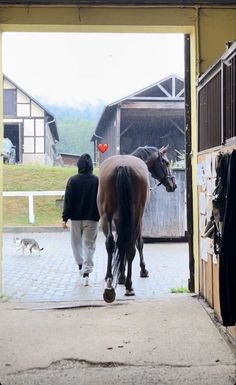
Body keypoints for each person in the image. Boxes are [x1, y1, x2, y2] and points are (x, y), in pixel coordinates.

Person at [62, 153, 100, 286]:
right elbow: (101, 200)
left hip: (76, 218)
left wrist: (64, 218)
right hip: (92, 219)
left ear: (79, 165)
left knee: (76, 244)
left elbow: (68, 200)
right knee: (89, 246)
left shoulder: (72, 180)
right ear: (91, 166)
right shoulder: (97, 181)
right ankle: (87, 273)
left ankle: (80, 265)